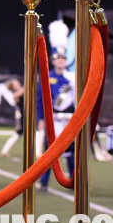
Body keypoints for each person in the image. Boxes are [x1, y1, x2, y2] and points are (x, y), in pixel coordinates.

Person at [38, 19, 75, 191]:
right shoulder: (46, 76)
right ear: (52, 60)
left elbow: (77, 101)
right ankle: (44, 182)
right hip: (52, 119)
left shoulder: (72, 78)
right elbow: (40, 99)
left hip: (69, 119)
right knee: (49, 151)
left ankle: (75, 180)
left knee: (71, 151)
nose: (60, 61)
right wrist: (40, 118)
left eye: (63, 58)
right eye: (57, 58)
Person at [0, 77, 24, 157]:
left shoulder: (22, 91)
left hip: (25, 114)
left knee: (35, 132)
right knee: (18, 133)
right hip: (21, 115)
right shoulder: (15, 93)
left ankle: (4, 150)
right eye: (15, 84)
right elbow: (19, 94)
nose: (17, 84)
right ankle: (4, 150)